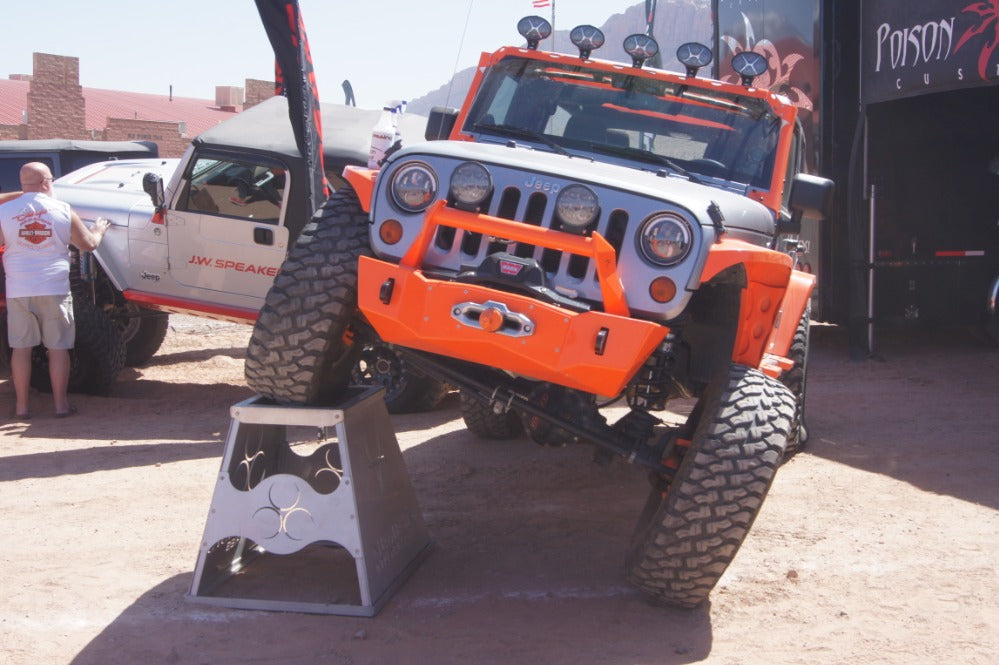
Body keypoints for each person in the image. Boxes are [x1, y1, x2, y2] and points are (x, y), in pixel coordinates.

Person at [0, 162, 110, 419]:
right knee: (58, 349)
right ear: (47, 182)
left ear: (23, 182)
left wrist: (21, 195)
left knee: (21, 349)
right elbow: (89, 245)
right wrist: (99, 229)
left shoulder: (5, 212)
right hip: (54, 288)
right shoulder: (63, 209)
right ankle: (60, 406)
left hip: (18, 289)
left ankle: (21, 407)